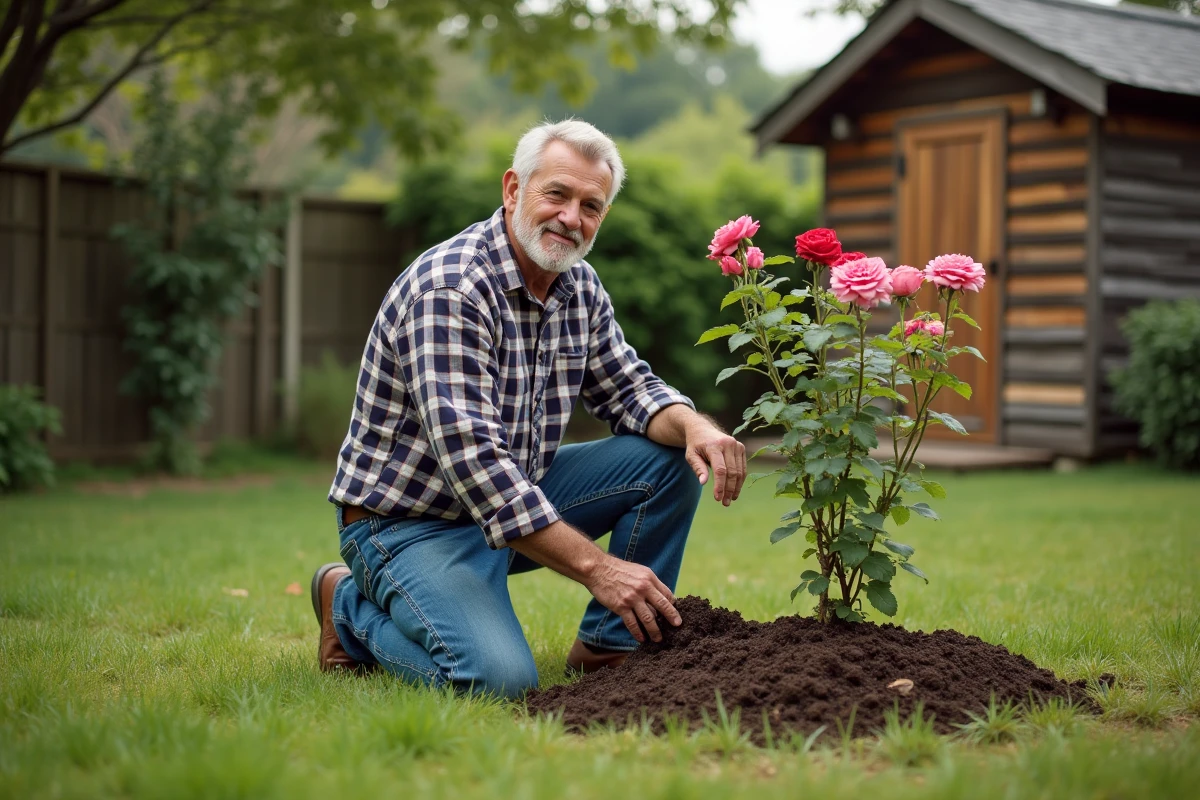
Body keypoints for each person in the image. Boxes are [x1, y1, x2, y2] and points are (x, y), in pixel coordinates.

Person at [312, 119, 747, 699]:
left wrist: (694, 425)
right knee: (497, 681)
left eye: (591, 205)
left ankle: (609, 648)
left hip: (510, 504)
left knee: (668, 459)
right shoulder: (451, 290)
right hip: (408, 526)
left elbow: (629, 390)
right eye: (557, 194)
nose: (572, 217)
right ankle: (346, 605)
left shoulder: (580, 287)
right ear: (514, 190)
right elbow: (476, 466)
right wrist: (600, 569)